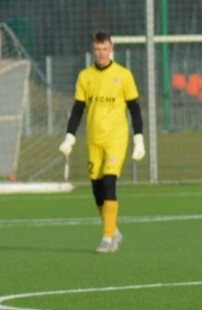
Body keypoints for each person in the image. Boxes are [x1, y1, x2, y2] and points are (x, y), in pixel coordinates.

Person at [59, 30, 145, 253]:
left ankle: (107, 238)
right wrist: (69, 137)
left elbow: (134, 109)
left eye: (105, 49)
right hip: (93, 140)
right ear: (92, 50)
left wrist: (139, 139)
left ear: (111, 49)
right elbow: (78, 109)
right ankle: (112, 228)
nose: (101, 53)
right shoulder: (85, 76)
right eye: (97, 49)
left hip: (115, 138)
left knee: (109, 183)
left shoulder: (123, 75)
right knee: (97, 190)